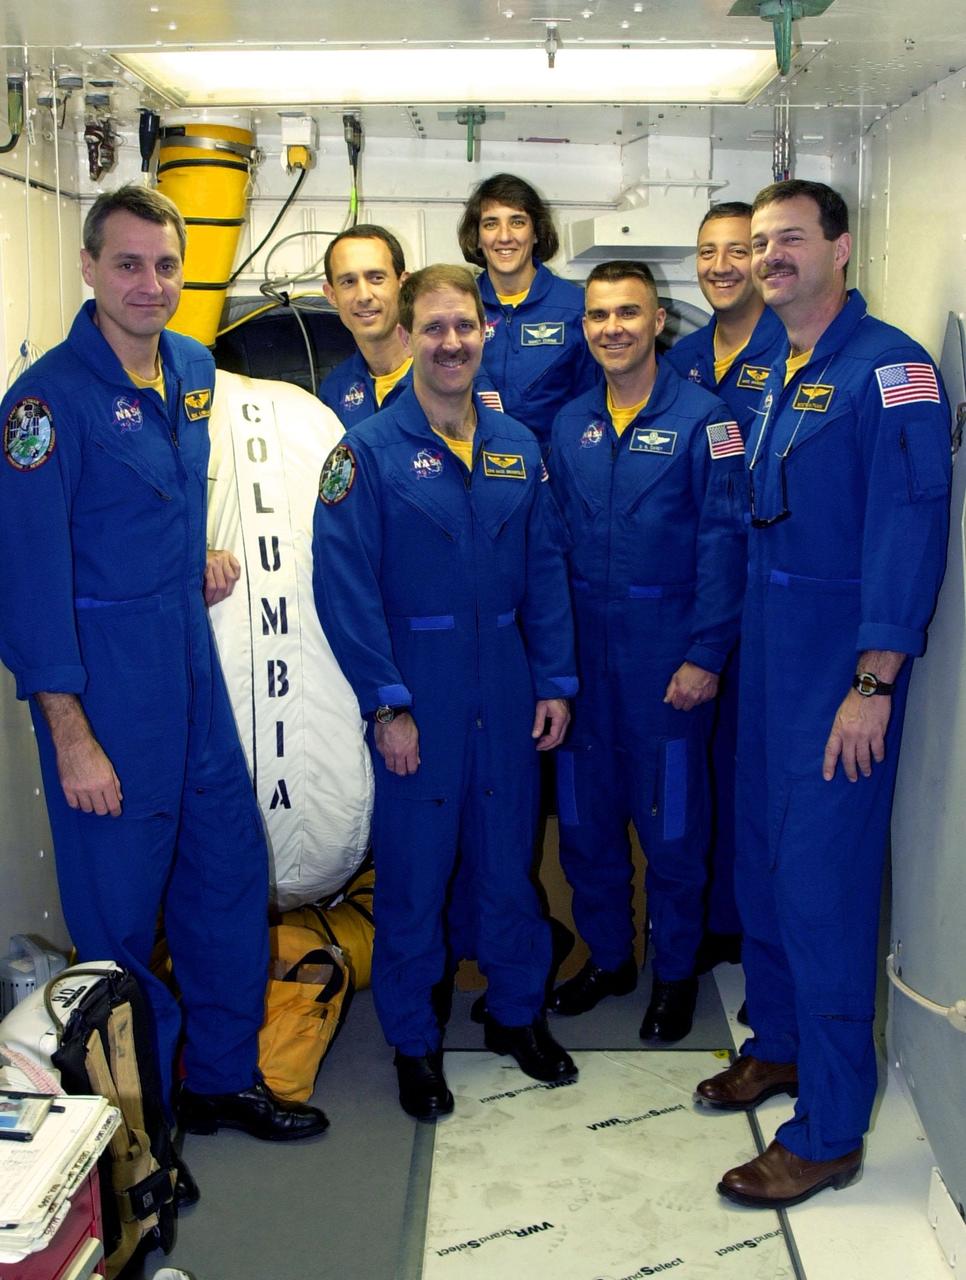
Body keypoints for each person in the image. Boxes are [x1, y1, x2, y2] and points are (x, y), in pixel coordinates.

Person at [0, 186, 327, 1164]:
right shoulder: (42, 403)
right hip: (106, 688)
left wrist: (195, 558)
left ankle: (222, 1078)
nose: (150, 284)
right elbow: (28, 578)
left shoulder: (190, 368)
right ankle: (133, 1136)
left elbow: (157, 502)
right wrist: (71, 732)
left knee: (228, 883)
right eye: (130, 264)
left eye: (166, 266)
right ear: (92, 270)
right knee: (118, 925)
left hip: (189, 670)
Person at [696, 180, 951, 1209]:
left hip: (838, 666)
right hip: (768, 654)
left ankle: (831, 1126)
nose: (769, 256)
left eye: (790, 238)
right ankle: (783, 1044)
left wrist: (873, 677)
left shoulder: (890, 369)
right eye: (760, 243)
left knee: (824, 888)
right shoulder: (768, 366)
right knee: (761, 863)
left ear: (841, 245)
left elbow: (909, 525)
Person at [312, 264, 579, 1121]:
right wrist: (386, 704)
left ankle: (514, 1016)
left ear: (485, 332)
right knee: (415, 882)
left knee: (509, 869)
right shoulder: (365, 456)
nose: (452, 342)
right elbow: (343, 589)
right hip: (416, 692)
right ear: (408, 333)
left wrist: (555, 681)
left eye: (464, 326)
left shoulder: (516, 448)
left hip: (505, 684)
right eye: (434, 328)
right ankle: (416, 1046)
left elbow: (544, 572)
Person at [547, 261, 747, 1041]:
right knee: (586, 825)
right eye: (597, 316)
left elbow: (725, 545)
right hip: (584, 665)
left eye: (627, 313)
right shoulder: (569, 424)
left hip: (667, 661)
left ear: (659, 319)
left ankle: (673, 974)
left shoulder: (706, 421)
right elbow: (551, 546)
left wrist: (705, 653)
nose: (612, 329)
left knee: (672, 830)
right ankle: (608, 958)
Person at [664, 203, 786, 974]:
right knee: (698, 768)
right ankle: (710, 921)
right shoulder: (683, 363)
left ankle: (744, 925)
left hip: (767, 583)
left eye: (737, 251)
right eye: (707, 253)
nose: (720, 267)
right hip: (697, 587)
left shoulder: (788, 348)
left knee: (748, 769)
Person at [457, 173, 599, 447]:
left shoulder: (576, 307)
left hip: (553, 473)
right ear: (476, 237)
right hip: (477, 470)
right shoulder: (459, 307)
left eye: (517, 222)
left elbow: (596, 404)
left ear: (536, 233)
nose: (505, 236)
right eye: (490, 224)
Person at [320, 222, 505, 425]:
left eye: (376, 278)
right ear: (331, 295)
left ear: (403, 283)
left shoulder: (456, 371)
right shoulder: (333, 391)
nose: (364, 295)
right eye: (348, 282)